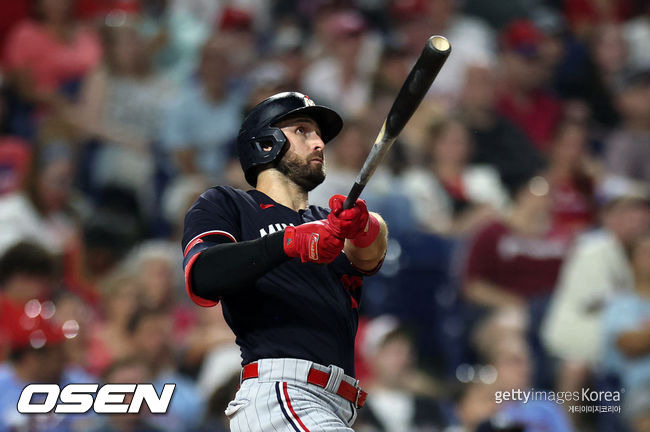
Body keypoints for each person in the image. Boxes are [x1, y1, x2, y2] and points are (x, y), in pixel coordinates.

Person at [182, 91, 388, 431]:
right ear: (266, 143)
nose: (320, 143)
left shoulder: (327, 219)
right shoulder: (229, 203)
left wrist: (365, 225)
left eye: (320, 135)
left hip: (338, 404)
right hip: (280, 392)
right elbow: (203, 277)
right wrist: (290, 242)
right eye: (303, 131)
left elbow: (370, 257)